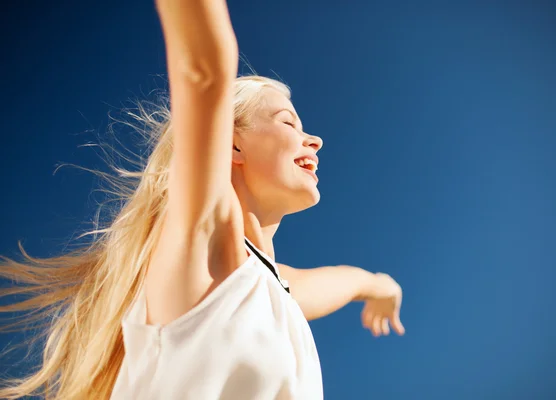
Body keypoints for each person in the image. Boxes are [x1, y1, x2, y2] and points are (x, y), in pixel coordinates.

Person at [0, 1, 404, 399]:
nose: (314, 139)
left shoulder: (275, 287)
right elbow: (205, 70)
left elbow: (346, 280)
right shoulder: (208, 242)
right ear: (232, 145)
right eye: (287, 122)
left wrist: (382, 287)